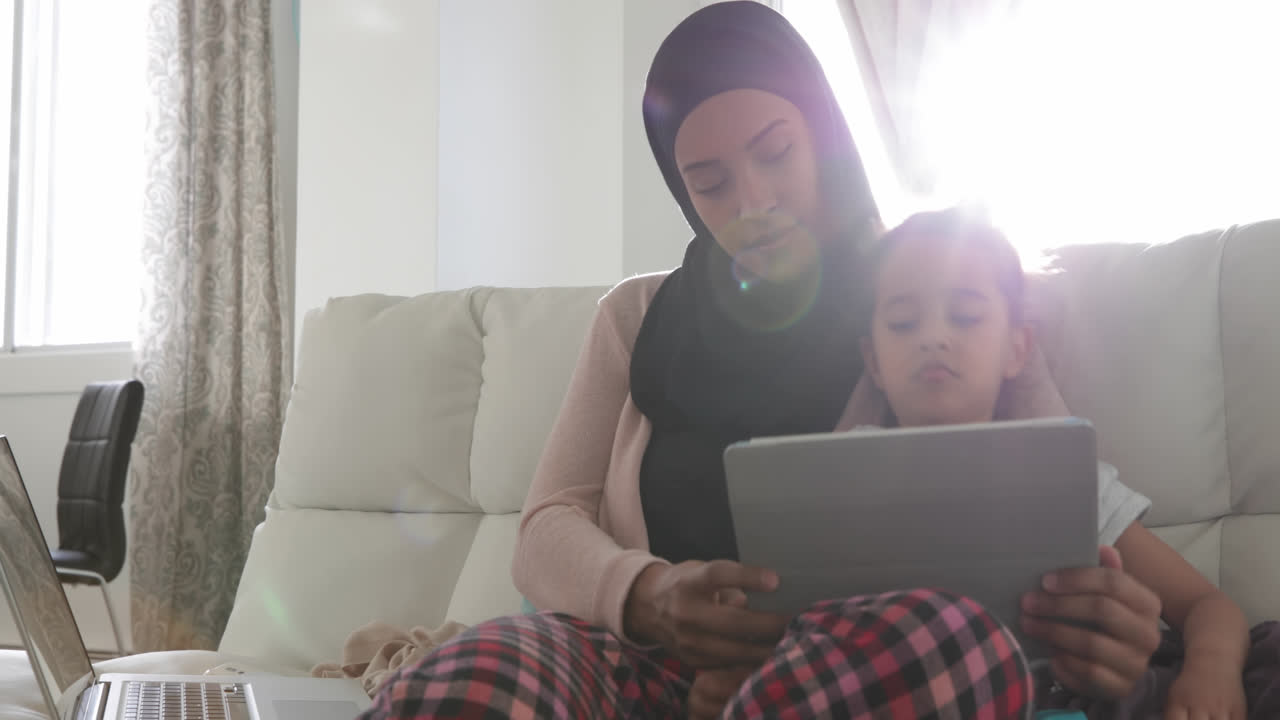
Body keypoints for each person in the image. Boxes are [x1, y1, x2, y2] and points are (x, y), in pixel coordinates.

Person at [359, 4, 1057, 718]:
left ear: (824, 139)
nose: (753, 202)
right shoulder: (635, 316)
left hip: (848, 668)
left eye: (776, 153)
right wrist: (649, 595)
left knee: (954, 641)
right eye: (710, 183)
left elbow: (1054, 494)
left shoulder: (927, 296)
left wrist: (1117, 619)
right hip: (640, 660)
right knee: (475, 674)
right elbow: (545, 527)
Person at [854, 208, 1250, 718]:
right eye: (904, 323)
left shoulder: (1067, 478)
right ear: (873, 361)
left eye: (966, 315)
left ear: (1016, 349)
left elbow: (1209, 607)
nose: (933, 337)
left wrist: (1212, 670)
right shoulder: (840, 476)